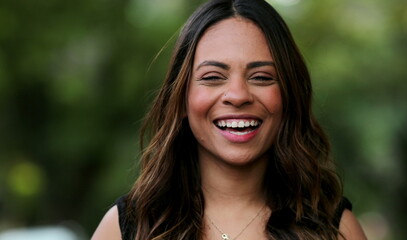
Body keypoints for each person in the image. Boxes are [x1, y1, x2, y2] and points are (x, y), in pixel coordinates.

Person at [92, 0, 367, 239]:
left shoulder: (335, 229)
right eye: (213, 77)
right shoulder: (127, 227)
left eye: (261, 77)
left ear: (288, 97)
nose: (237, 95)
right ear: (182, 99)